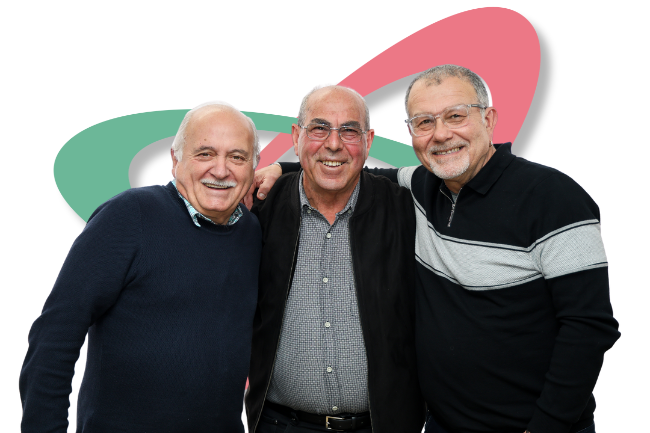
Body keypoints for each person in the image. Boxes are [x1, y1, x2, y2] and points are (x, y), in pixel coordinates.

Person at [253, 65, 620, 433]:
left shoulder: (554, 198)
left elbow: (589, 326)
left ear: (488, 119)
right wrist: (283, 169)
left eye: (456, 116)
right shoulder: (424, 186)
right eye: (425, 122)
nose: (441, 134)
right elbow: (342, 168)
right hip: (442, 425)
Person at [20, 102, 262, 433]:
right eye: (205, 154)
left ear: (253, 167)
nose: (220, 170)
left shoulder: (253, 232)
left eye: (237, 157)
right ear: (175, 160)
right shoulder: (129, 216)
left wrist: (283, 170)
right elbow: (54, 337)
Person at [245, 86, 424, 433]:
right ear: (296, 136)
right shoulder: (259, 206)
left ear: (368, 141)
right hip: (279, 424)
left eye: (349, 131)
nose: (333, 144)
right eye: (319, 128)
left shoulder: (405, 210)